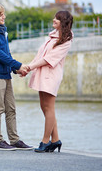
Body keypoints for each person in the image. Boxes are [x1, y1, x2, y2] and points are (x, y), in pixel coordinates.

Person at [0, 3, 32, 151]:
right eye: (0, 14)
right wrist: (18, 65)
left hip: (5, 74)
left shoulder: (1, 30)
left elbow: (6, 54)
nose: (4, 16)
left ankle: (14, 140)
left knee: (11, 108)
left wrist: (16, 70)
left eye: (3, 13)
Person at [27, 10, 73, 153]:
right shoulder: (52, 37)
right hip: (43, 74)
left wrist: (29, 67)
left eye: (57, 19)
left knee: (49, 108)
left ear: (63, 23)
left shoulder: (66, 39)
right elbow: (40, 55)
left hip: (51, 75)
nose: (54, 20)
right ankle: (55, 140)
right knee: (44, 107)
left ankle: (45, 141)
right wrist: (27, 69)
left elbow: (49, 59)